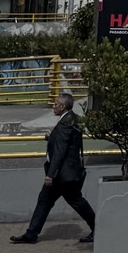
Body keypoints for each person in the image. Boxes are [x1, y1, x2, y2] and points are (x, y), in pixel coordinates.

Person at [11, 93, 95, 244]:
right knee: (46, 200)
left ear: (62, 107)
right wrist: (51, 137)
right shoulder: (72, 119)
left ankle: (98, 228)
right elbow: (67, 142)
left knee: (75, 201)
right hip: (65, 173)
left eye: (56, 104)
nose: (53, 106)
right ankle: (31, 234)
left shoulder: (64, 124)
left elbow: (60, 151)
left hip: (62, 175)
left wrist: (50, 174)